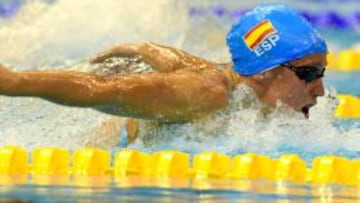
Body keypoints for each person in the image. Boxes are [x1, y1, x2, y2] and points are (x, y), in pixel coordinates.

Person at [0, 4, 327, 145]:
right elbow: (100, 89)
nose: (321, 90)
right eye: (309, 73)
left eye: (322, 72)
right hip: (102, 156)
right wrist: (13, 82)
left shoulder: (236, 83)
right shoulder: (207, 95)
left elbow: (183, 61)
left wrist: (143, 47)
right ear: (264, 73)